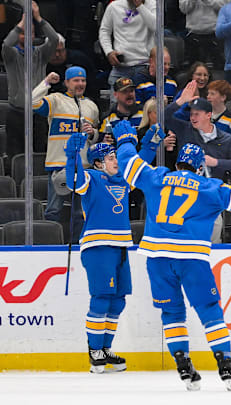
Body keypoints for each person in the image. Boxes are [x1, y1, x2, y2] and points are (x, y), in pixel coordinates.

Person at [113, 120, 231, 390]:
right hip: (191, 258)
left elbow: (129, 167)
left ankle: (183, 365)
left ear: (179, 162)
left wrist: (124, 140)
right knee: (209, 310)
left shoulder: (157, 176)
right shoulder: (210, 187)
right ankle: (225, 365)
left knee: (171, 311)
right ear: (200, 167)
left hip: (157, 258)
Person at [63, 126, 159, 373]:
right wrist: (73, 153)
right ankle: (94, 350)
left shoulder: (123, 180)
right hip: (98, 245)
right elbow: (73, 180)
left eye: (116, 157)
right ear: (98, 163)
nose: (116, 161)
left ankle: (105, 348)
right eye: (110, 158)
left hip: (121, 245)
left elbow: (139, 166)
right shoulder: (92, 179)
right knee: (102, 297)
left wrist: (150, 143)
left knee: (117, 300)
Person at [32, 67, 99, 240]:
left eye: (83, 80)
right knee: (54, 209)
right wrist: (46, 83)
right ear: (67, 82)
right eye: (76, 80)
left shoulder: (91, 106)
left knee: (79, 212)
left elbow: (94, 137)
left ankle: (77, 246)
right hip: (59, 163)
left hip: (83, 166)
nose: (80, 84)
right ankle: (48, 245)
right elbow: (31, 102)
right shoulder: (56, 100)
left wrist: (92, 132)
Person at [2, 1, 59, 160]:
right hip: (17, 113)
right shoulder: (11, 55)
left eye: (31, 32)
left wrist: (38, 18)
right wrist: (22, 23)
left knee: (40, 155)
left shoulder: (41, 54)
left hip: (38, 114)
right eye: (23, 32)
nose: (27, 36)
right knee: (16, 155)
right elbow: (6, 44)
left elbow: (54, 39)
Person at [99, 0, 157, 98]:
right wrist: (109, 52)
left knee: (143, 106)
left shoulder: (153, 4)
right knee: (116, 107)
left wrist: (139, 6)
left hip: (143, 67)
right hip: (120, 67)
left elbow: (156, 27)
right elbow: (104, 31)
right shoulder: (114, 6)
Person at [179, 0, 226, 69]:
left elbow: (225, 8)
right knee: (193, 69)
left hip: (215, 35)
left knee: (219, 68)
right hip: (193, 35)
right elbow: (183, 9)